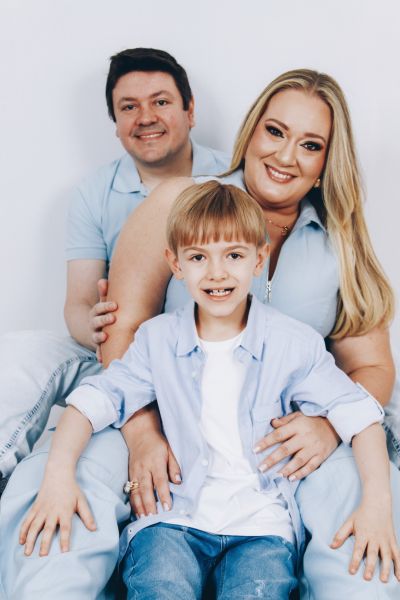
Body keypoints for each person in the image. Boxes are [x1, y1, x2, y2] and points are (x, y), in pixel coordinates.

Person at [1, 69, 399, 599]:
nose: (285, 156)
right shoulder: (183, 202)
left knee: (363, 505)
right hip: (157, 404)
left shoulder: (341, 242)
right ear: (251, 130)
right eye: (275, 131)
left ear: (327, 161)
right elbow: (123, 331)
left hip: (286, 438)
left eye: (310, 145)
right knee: (65, 491)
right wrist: (143, 433)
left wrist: (326, 427)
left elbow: (370, 368)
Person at [0, 47, 230, 491]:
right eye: (129, 107)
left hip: (196, 346)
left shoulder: (230, 178)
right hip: (113, 348)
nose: (146, 117)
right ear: (116, 123)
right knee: (16, 355)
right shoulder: (94, 192)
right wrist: (93, 326)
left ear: (190, 110)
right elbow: (78, 302)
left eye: (160, 101)